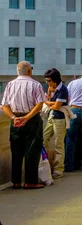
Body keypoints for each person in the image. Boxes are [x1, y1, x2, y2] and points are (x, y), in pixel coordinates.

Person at [1, 61, 46, 189]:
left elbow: (4, 105)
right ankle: (30, 181)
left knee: (16, 151)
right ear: (29, 71)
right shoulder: (36, 85)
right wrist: (26, 117)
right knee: (32, 150)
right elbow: (39, 105)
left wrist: (14, 118)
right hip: (31, 119)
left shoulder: (10, 84)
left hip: (15, 119)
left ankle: (15, 181)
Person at [41, 68, 69, 179]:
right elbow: (53, 104)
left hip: (60, 119)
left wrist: (47, 102)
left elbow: (57, 106)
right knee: (43, 140)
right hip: (52, 116)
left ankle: (58, 169)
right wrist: (50, 102)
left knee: (59, 144)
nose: (47, 83)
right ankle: (47, 165)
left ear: (55, 80)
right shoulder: (51, 88)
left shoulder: (63, 89)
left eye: (48, 80)